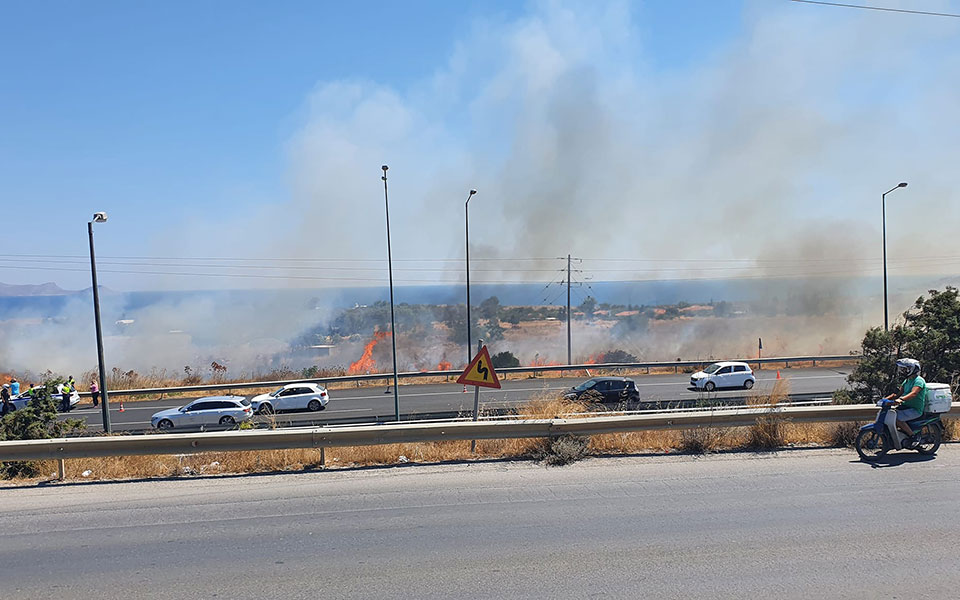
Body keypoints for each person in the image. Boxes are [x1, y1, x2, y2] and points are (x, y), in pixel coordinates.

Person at [882, 358, 927, 448]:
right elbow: (897, 393)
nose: (903, 371)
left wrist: (901, 399)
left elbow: (914, 393)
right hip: (906, 407)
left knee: (898, 418)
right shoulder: (906, 381)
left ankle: (913, 436)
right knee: (890, 415)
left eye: (906, 369)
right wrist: (885, 400)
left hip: (915, 409)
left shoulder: (919, 381)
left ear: (912, 369)